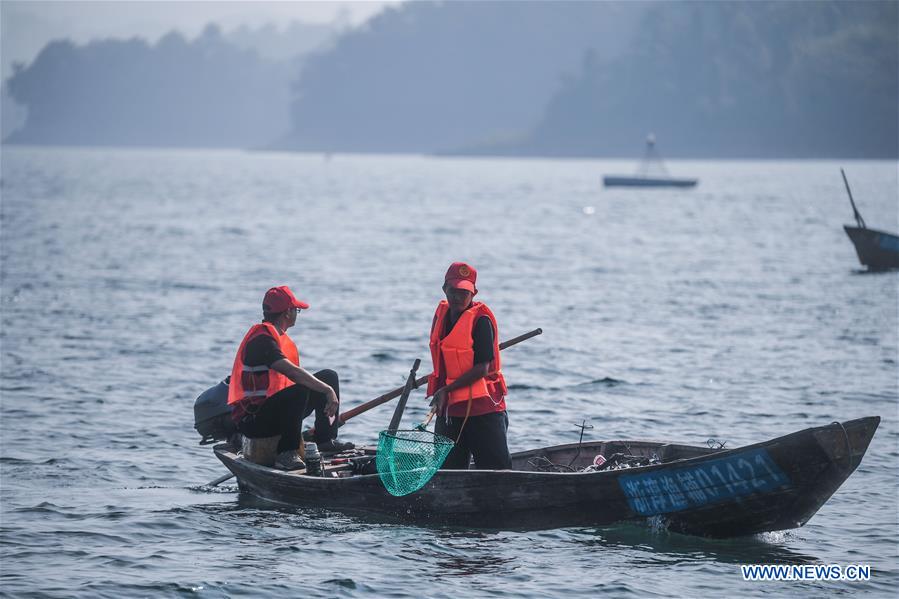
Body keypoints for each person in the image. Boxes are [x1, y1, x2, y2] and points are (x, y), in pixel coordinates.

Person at [227, 285, 353, 470]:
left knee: (328, 376)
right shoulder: (262, 339)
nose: (297, 313)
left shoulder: (277, 336)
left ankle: (326, 440)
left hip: (277, 413)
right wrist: (327, 391)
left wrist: (327, 386)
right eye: (296, 310)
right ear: (287, 313)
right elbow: (293, 373)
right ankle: (286, 453)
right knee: (302, 389)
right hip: (254, 420)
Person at [426, 262, 512, 470]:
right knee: (446, 472)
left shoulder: (481, 320)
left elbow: (483, 367)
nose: (457, 297)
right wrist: (444, 391)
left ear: (474, 293)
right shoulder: (441, 316)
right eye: (453, 291)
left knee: (496, 472)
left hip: (483, 411)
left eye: (464, 293)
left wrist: (446, 390)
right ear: (444, 289)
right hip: (450, 411)